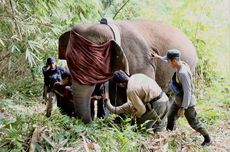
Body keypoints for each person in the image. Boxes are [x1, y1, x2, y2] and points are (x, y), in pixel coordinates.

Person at [153, 49, 211, 146]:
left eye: (169, 61)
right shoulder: (181, 63)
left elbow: (188, 91)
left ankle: (207, 139)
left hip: (187, 103)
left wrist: (183, 108)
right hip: (178, 99)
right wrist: (159, 57)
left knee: (194, 123)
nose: (168, 63)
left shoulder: (183, 73)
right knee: (170, 116)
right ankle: (169, 135)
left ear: (174, 61)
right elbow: (167, 59)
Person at [105, 70, 170, 132]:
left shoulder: (131, 90)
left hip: (158, 105)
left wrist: (134, 115)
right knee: (160, 127)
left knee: (141, 127)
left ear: (120, 84)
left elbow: (142, 110)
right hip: (165, 100)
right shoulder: (137, 76)